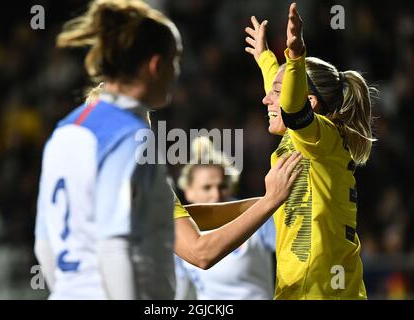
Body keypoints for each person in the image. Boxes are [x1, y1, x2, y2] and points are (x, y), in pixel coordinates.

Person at [34, 0, 302, 300]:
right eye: (175, 62)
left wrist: (269, 201)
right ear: (155, 65)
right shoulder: (130, 137)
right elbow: (186, 251)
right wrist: (270, 201)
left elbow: (44, 246)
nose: (176, 73)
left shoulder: (64, 132)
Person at [242, 2, 376, 299]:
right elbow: (284, 93)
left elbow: (290, 106)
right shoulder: (312, 138)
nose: (266, 101)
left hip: (322, 291)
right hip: (307, 288)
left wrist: (296, 57)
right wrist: (266, 59)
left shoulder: (320, 137)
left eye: (275, 94)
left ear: (311, 104)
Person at [174, 137, 276, 300]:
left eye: (222, 186)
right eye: (206, 187)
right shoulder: (181, 229)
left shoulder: (256, 215)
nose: (216, 194)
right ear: (188, 191)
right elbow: (180, 290)